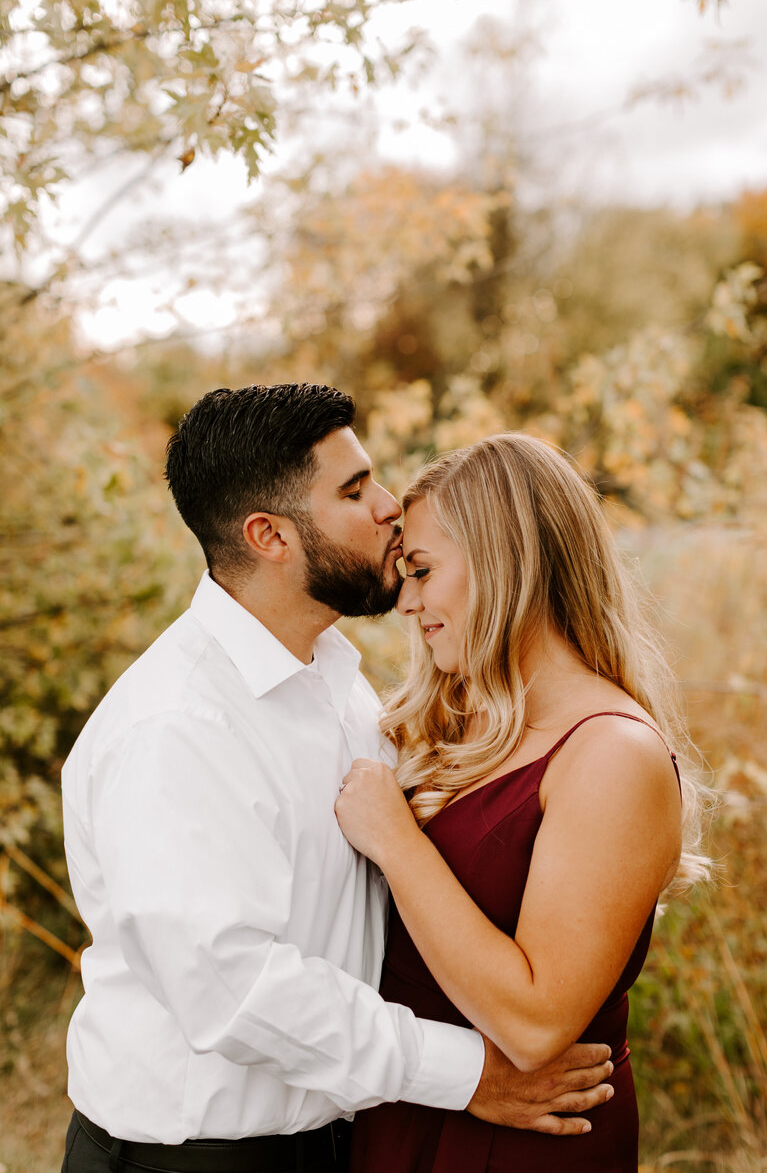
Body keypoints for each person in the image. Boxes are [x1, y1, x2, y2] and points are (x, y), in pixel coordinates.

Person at [60, 386, 615, 1173]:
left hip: (336, 1144)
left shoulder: (337, 683)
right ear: (270, 536)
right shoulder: (176, 728)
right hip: (194, 1159)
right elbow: (237, 990)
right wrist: (468, 1076)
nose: (391, 506)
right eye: (354, 491)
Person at [335, 433, 710, 1173]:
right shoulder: (455, 719)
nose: (406, 602)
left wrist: (397, 841)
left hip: (524, 1139)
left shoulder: (611, 755)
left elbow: (537, 1025)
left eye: (422, 570)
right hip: (411, 1110)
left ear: (508, 562)